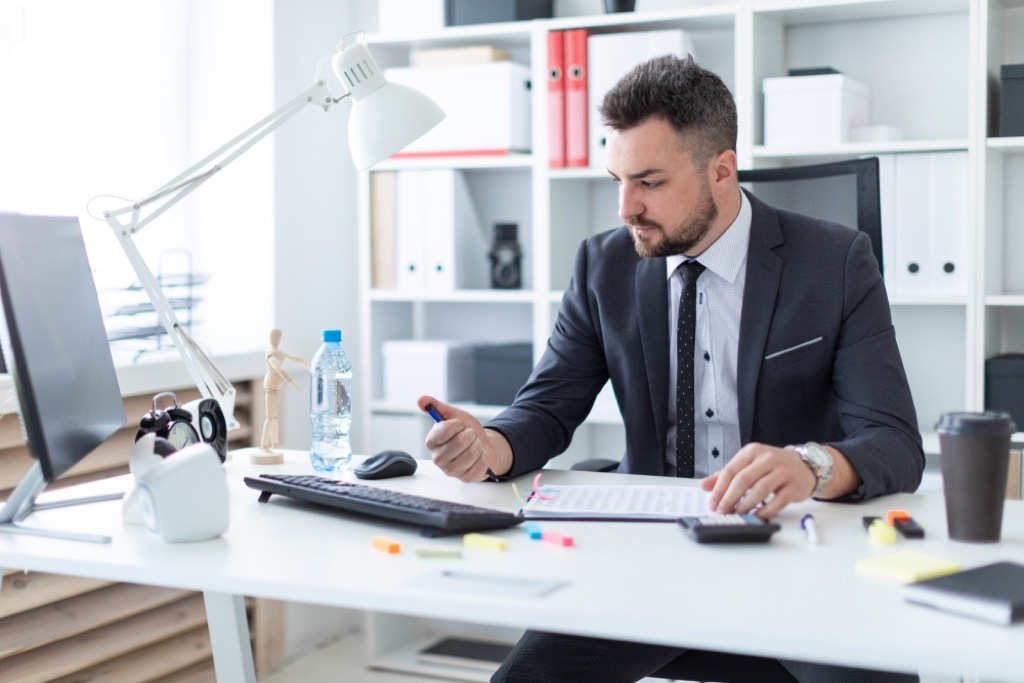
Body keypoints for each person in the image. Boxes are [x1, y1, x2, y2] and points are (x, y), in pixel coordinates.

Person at [419, 54, 924, 683]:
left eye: (650, 182)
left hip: (797, 548)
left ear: (721, 170)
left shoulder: (835, 262)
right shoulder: (603, 266)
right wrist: (489, 445)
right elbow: (547, 407)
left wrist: (810, 464)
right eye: (617, 180)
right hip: (651, 557)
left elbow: (895, 441)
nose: (626, 206)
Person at [252, 328, 309, 465]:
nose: (277, 339)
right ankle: (264, 445)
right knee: (270, 417)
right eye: (275, 336)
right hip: (270, 386)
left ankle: (275, 443)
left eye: (279, 336)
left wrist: (305, 364)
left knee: (275, 417)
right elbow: (280, 369)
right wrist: (293, 382)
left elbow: (293, 358)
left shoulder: (279, 353)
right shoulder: (271, 356)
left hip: (276, 386)